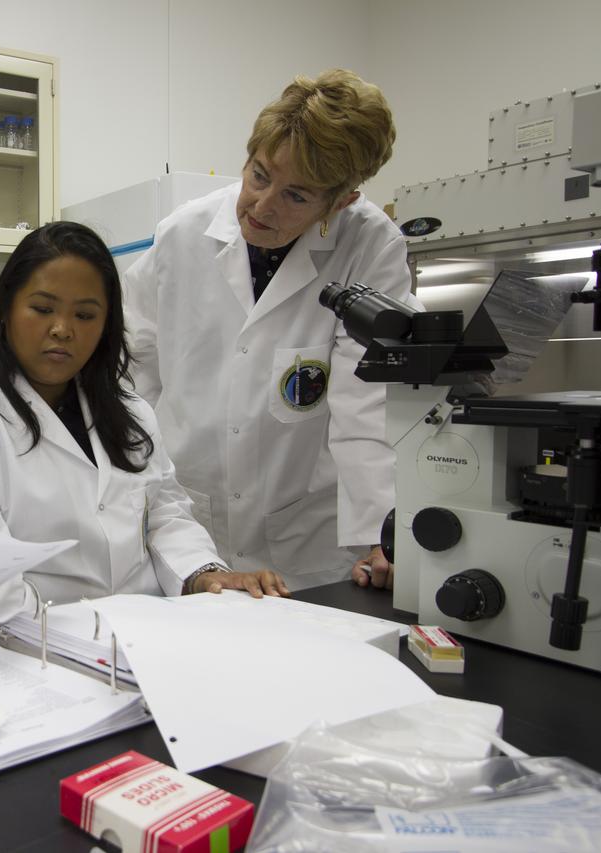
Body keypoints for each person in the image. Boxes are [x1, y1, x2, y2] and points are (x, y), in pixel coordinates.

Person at [0, 221, 286, 623]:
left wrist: (204, 575)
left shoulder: (127, 409)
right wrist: (101, 639)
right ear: (6, 307)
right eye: (42, 309)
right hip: (11, 656)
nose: (62, 329)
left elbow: (164, 515)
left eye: (85, 314)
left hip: (137, 642)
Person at [122, 69, 412, 591]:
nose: (261, 205)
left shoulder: (370, 246)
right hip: (190, 524)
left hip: (304, 540)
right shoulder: (184, 234)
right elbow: (132, 374)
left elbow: (366, 401)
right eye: (259, 175)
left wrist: (381, 532)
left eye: (296, 197)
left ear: (340, 201)